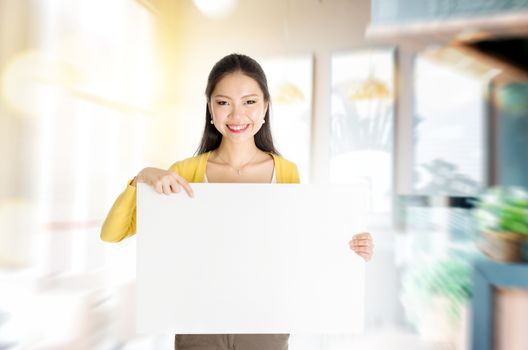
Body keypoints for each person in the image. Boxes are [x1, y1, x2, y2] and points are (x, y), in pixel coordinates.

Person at [101, 53, 374, 350]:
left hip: (265, 324)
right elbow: (112, 233)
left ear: (265, 107)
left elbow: (296, 247)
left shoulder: (286, 172)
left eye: (249, 101)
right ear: (210, 108)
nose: (237, 115)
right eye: (223, 102)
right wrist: (141, 177)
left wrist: (349, 248)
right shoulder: (183, 173)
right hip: (197, 325)